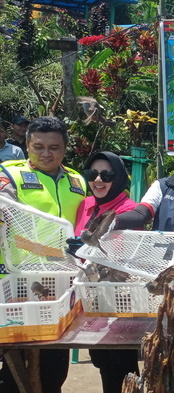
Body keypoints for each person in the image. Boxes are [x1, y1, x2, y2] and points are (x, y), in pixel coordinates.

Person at [0, 116, 87, 393]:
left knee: (54, 367)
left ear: (64, 149)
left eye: (54, 147)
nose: (46, 154)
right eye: (39, 147)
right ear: (27, 145)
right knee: (15, 368)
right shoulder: (9, 175)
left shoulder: (77, 180)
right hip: (20, 281)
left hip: (62, 283)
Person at [74, 152, 140, 393]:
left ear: (119, 176)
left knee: (122, 366)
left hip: (119, 301)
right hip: (91, 298)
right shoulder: (86, 204)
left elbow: (121, 255)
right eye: (92, 174)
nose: (98, 180)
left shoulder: (127, 209)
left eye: (107, 174)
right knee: (102, 361)